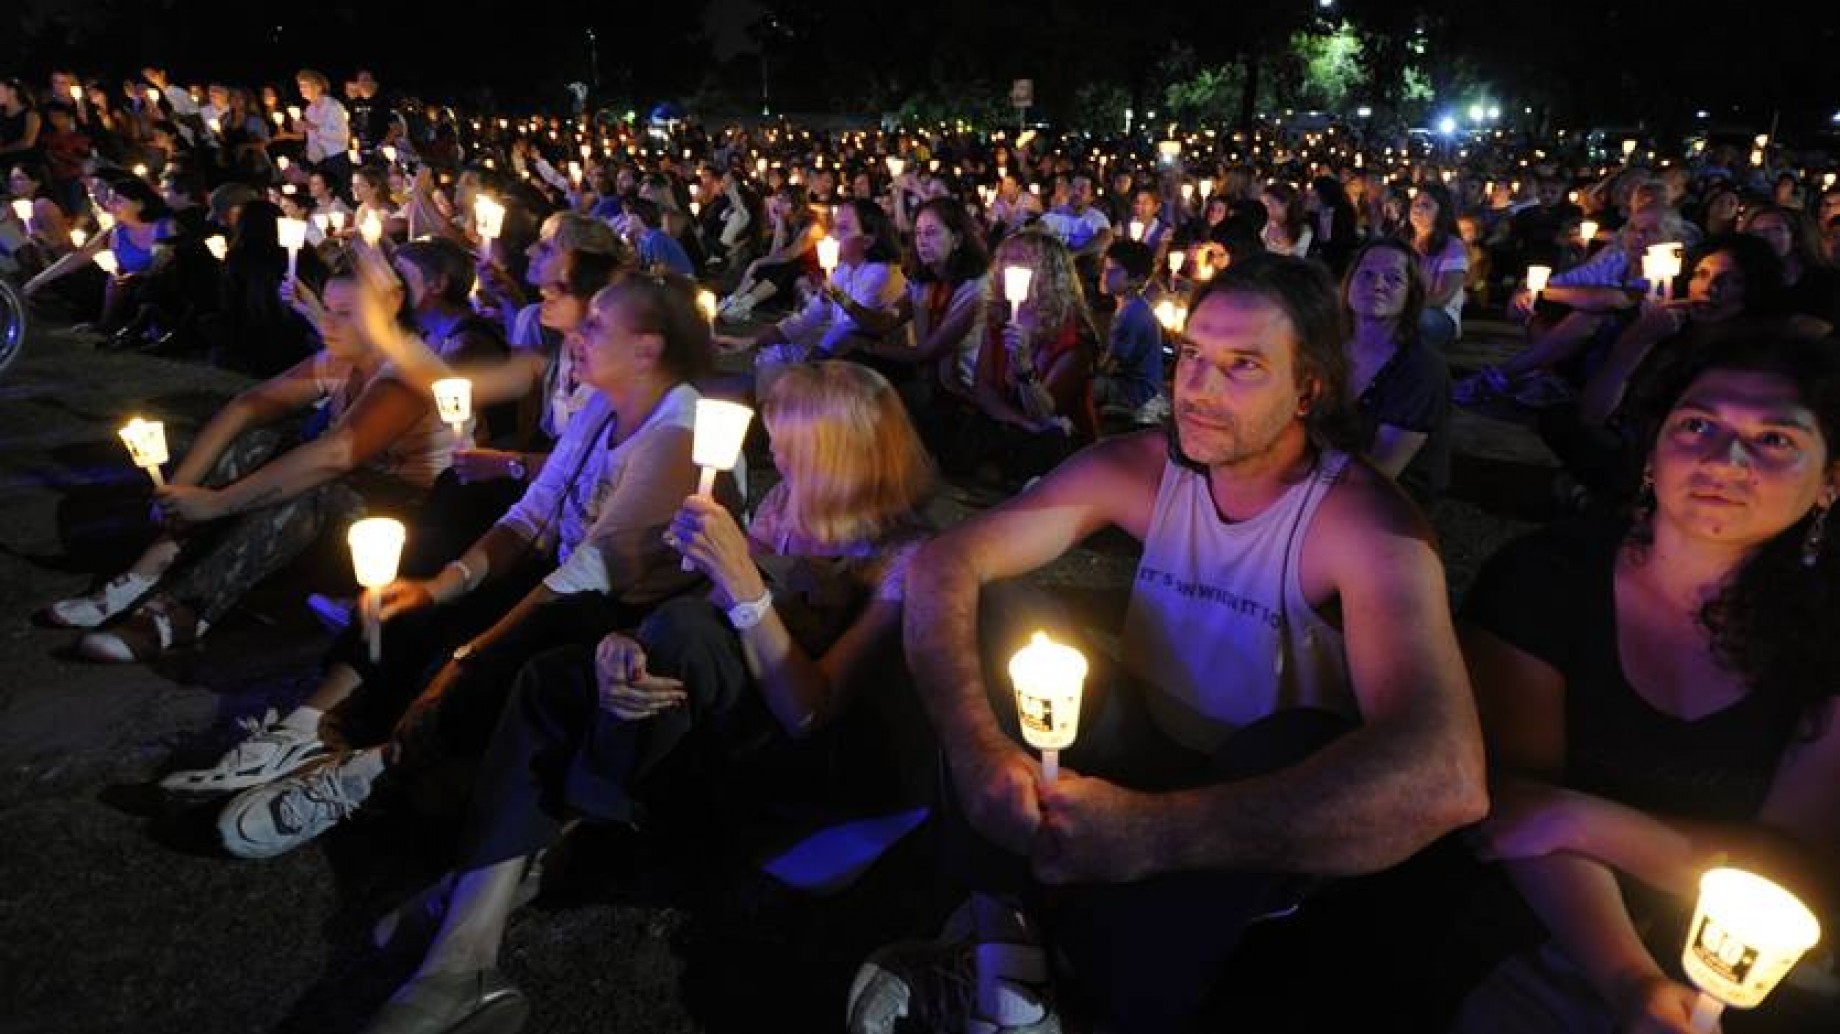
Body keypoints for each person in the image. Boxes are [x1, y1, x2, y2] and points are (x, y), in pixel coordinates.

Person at [850, 253, 1487, 1034]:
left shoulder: (1363, 523)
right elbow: (946, 563)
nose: (1199, 390)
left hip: (1265, 800)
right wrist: (981, 752)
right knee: (999, 612)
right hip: (1147, 734)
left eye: (1243, 366)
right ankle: (1002, 939)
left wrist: (1155, 834)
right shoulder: (1149, 468)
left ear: (1309, 388)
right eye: (1193, 357)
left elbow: (1448, 775)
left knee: (1294, 741)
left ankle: (1079, 982)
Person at [354, 361, 935, 1034]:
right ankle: (464, 954)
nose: (770, 450)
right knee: (559, 674)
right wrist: (623, 645)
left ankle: (522, 858)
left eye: (786, 438)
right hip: (696, 704)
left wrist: (745, 585)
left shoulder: (906, 557)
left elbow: (809, 712)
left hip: (787, 759)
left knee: (685, 633)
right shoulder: (784, 506)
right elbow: (704, 605)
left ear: (836, 447)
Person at [213, 271, 717, 859]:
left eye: (597, 325)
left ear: (647, 348)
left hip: (619, 614)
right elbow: (532, 515)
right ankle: (321, 729)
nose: (579, 333)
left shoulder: (676, 435)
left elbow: (588, 574)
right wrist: (441, 584)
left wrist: (472, 653)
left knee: (474, 664)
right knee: (424, 602)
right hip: (561, 580)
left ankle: (374, 773)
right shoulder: (605, 403)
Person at [1451, 335, 1840, 1034]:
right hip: (1520, 910)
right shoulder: (1547, 578)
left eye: (1775, 438)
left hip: (1737, 966)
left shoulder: (1827, 637)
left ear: (1831, 481)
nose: (1727, 459)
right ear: (1654, 451)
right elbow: (1512, 815)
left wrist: (1589, 820)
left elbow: (1793, 874)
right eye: (1698, 426)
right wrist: (1631, 981)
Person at [36, 250, 456, 662]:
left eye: (346, 313)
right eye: (326, 309)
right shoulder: (344, 357)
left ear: (391, 307)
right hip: (348, 486)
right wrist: (179, 493)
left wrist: (218, 503)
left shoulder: (410, 372)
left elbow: (337, 453)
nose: (327, 324)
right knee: (255, 445)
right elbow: (247, 406)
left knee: (311, 485)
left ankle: (187, 608)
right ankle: (149, 569)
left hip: (407, 512)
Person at [952, 228, 1098, 482]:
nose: (1010, 265)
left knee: (1045, 445)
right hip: (1013, 421)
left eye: (1020, 259)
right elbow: (983, 386)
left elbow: (1045, 414)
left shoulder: (1075, 336)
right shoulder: (1000, 318)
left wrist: (1024, 369)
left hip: (1058, 433)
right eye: (1006, 258)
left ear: (1050, 274)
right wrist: (1019, 421)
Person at [1342, 238, 1452, 507]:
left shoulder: (1421, 368)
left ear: (1410, 295)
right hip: (1324, 468)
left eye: (1394, 279)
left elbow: (1383, 469)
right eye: (1367, 274)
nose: (1377, 284)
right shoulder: (1326, 346)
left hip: (1389, 491)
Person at [1092, 238, 1167, 423]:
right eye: (1104, 268)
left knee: (1085, 385)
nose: (1104, 275)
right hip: (1134, 384)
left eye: (1113, 271)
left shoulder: (1131, 315)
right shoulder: (1132, 306)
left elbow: (1110, 364)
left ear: (1137, 280)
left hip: (1137, 392)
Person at [1401, 183, 1468, 348]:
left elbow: (1442, 297)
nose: (1417, 209)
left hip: (1438, 314)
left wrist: (1402, 307)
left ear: (1441, 212)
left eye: (1426, 205)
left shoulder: (1452, 246)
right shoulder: (1401, 240)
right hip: (1398, 307)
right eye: (1415, 204)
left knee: (1420, 321)